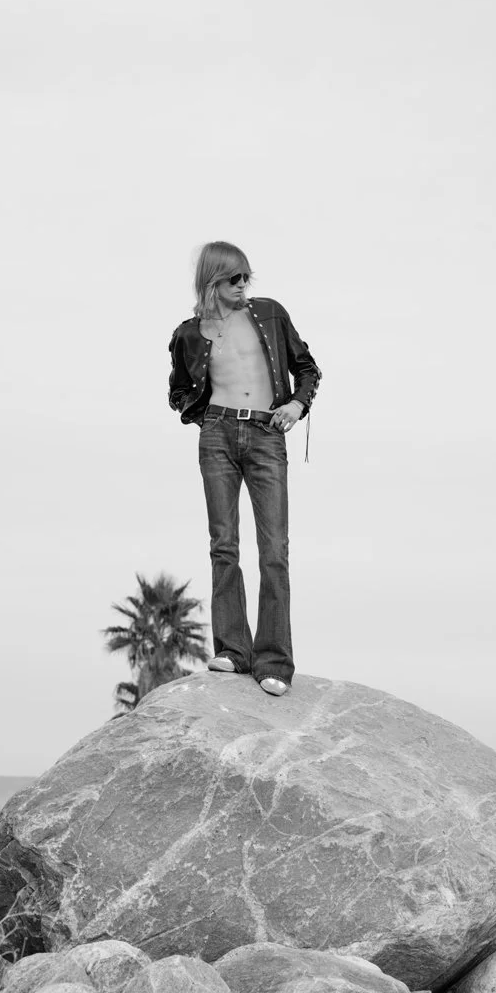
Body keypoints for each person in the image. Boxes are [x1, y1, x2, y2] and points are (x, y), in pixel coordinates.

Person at [168, 242, 321, 696]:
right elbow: (178, 391)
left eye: (246, 277)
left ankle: (274, 662)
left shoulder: (269, 314)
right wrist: (205, 416)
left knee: (274, 549)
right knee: (223, 546)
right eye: (234, 278)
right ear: (213, 280)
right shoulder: (188, 334)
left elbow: (308, 369)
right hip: (217, 435)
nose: (243, 285)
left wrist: (296, 405)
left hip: (266, 434)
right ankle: (234, 651)